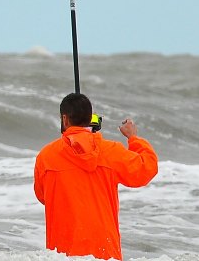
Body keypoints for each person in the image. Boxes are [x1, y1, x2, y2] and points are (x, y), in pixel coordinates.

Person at [34, 93, 158, 260]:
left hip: (62, 253)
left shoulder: (46, 156)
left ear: (65, 119)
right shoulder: (111, 151)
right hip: (104, 251)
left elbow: (43, 196)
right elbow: (146, 168)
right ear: (90, 119)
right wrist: (134, 139)